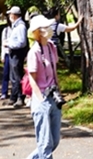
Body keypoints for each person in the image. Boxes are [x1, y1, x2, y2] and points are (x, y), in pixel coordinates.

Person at [23, 15, 63, 159]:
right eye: (46, 27)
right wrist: (40, 100)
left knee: (54, 140)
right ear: (39, 31)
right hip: (42, 99)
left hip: (54, 96)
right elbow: (32, 80)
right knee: (45, 144)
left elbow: (54, 71)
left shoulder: (52, 47)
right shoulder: (34, 52)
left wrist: (58, 90)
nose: (50, 29)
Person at [3, 6, 28, 107]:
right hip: (13, 54)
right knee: (13, 77)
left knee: (17, 76)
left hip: (17, 54)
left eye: (10, 14)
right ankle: (13, 97)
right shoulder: (15, 26)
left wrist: (9, 44)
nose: (9, 16)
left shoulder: (21, 27)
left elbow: (22, 43)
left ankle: (20, 97)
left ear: (14, 15)